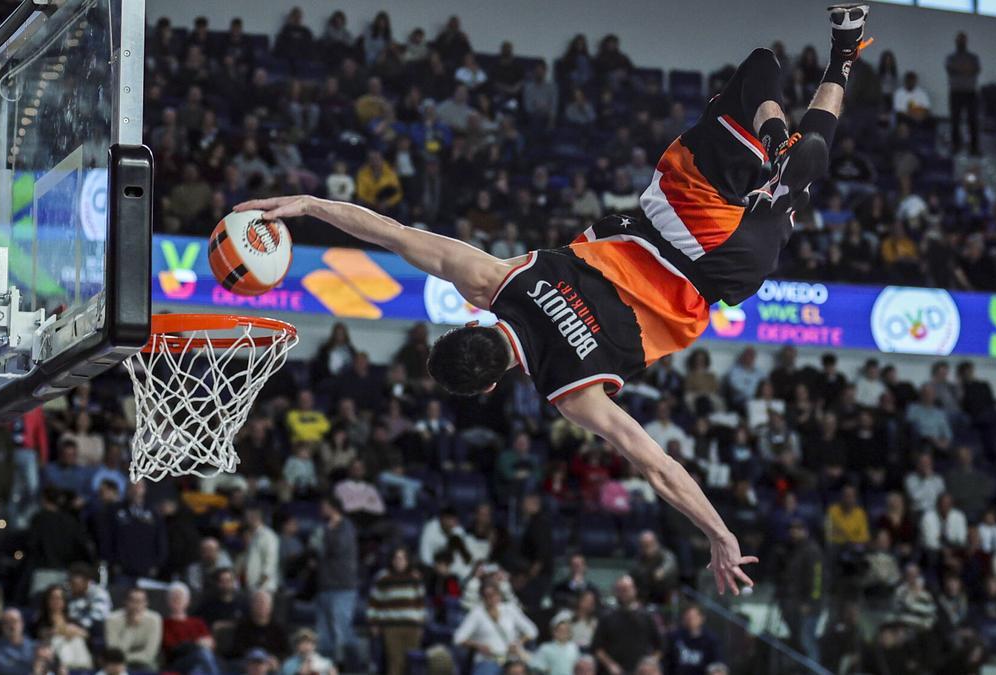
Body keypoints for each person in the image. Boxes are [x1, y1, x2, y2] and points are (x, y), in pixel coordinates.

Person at [237, 7, 875, 595]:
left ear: (491, 385)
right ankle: (781, 130)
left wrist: (720, 533)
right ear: (467, 325)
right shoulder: (494, 281)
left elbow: (657, 467)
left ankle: (828, 86)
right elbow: (396, 235)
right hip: (673, 218)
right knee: (760, 67)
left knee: (796, 189)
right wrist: (309, 205)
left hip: (722, 270)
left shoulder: (572, 391)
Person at [453, 583, 537, 675]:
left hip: (512, 659)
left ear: (499, 595)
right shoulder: (477, 613)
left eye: (494, 594)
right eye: (487, 596)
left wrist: (518, 643)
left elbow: (532, 630)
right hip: (489, 659)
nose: (491, 598)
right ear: (482, 598)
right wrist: (478, 646)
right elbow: (458, 638)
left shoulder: (510, 609)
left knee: (520, 670)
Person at [367, 547, 426, 675]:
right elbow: (374, 602)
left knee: (411, 663)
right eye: (397, 558)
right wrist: (373, 623)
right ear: (392, 560)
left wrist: (421, 624)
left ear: (408, 560)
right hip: (391, 626)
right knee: (394, 662)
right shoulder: (383, 578)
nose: (400, 561)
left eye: (403, 558)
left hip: (412, 626)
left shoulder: (415, 577)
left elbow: (421, 604)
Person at [315, 496, 360, 662]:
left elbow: (337, 548)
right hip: (324, 585)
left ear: (333, 507)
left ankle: (354, 668)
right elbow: (316, 549)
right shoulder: (323, 526)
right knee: (324, 635)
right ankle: (326, 667)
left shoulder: (346, 527)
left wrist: (328, 532)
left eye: (324, 505)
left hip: (343, 586)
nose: (321, 509)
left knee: (343, 629)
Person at [773, 519, 824, 662]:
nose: (793, 532)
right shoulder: (789, 549)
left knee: (807, 640)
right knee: (797, 642)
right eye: (791, 529)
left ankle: (814, 671)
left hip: (807, 606)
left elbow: (817, 580)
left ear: (805, 531)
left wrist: (811, 602)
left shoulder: (812, 550)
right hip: (791, 603)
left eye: (798, 529)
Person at [592, 576, 663, 675]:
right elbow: (597, 647)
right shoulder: (607, 617)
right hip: (612, 672)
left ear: (634, 590)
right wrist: (610, 665)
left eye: (626, 589)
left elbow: (660, 647)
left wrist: (650, 664)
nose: (623, 593)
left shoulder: (647, 616)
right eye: (620, 590)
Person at [105, 588, 162, 670]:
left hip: (145, 663)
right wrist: (131, 627)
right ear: (125, 602)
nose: (136, 605)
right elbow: (114, 654)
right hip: (117, 664)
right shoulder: (112, 620)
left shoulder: (154, 620)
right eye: (133, 601)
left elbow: (149, 655)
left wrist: (124, 657)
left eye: (140, 601)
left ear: (146, 603)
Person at [944, 32, 980, 155]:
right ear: (956, 42)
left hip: (970, 92)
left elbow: (976, 69)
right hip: (956, 92)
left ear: (966, 41)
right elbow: (950, 69)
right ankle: (956, 145)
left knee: (973, 120)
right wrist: (966, 68)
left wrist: (960, 68)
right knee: (955, 120)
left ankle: (974, 147)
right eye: (959, 40)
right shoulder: (951, 57)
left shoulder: (973, 57)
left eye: (963, 40)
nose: (961, 42)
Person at [229, 591, 288, 661]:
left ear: (271, 607)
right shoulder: (242, 626)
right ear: (252, 605)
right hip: (248, 663)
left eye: (264, 604)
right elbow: (237, 651)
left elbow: (287, 652)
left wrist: (276, 659)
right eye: (258, 603)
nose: (261, 606)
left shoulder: (278, 628)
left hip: (271, 664)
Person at [665, 605, 720, 675]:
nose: (691, 620)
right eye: (688, 617)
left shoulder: (710, 639)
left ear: (702, 618)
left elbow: (717, 662)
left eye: (694, 617)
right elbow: (666, 659)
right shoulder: (674, 637)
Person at [0, 608, 34, 675]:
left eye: (14, 621)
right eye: (6, 622)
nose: (11, 625)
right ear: (1, 626)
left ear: (22, 623)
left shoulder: (35, 647)